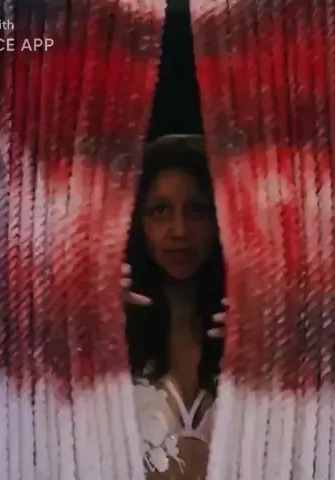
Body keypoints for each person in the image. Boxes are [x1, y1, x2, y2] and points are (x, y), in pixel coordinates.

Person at [122, 135, 227, 479]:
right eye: (160, 211)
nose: (179, 230)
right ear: (137, 221)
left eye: (197, 210)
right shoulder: (109, 329)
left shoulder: (252, 326)